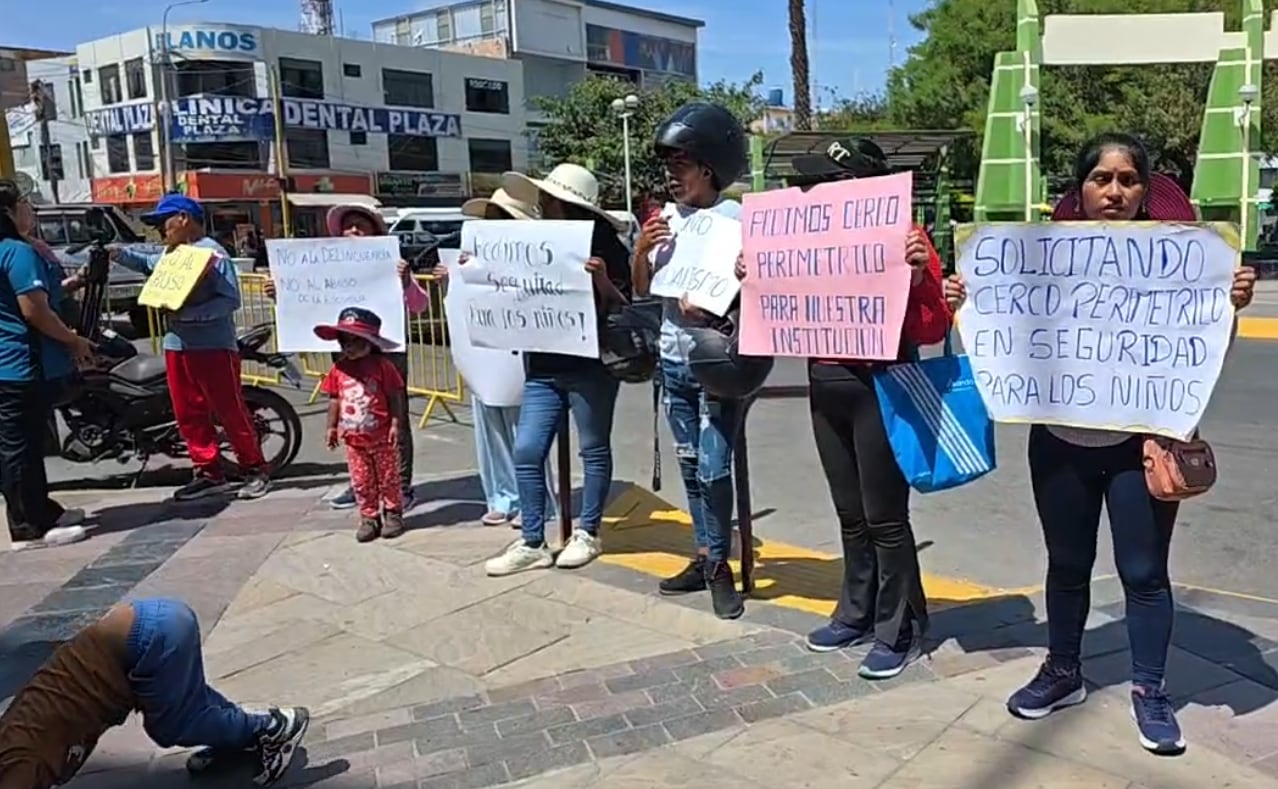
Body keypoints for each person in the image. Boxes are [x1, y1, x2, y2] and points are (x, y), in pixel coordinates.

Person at [944, 132, 1258, 755]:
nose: (1113, 191)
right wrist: (965, 304)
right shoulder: (1036, 257)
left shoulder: (1181, 262)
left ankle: (1151, 689)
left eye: (1128, 180)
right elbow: (1001, 333)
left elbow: (1200, 353)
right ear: (1080, 188)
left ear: (1145, 191)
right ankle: (1063, 671)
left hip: (1139, 447)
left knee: (1143, 571)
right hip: (1059, 442)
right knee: (1066, 565)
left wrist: (1229, 307)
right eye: (1101, 179)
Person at [737, 137, 952, 678]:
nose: (814, 194)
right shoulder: (807, 240)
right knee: (850, 514)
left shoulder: (908, 239)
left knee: (885, 516)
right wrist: (754, 275)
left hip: (881, 386)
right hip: (825, 380)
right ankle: (855, 611)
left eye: (828, 184)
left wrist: (922, 276)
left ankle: (897, 628)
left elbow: (931, 328)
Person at [630, 102, 751, 620]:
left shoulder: (738, 222)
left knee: (714, 467)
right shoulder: (664, 222)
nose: (671, 178)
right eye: (669, 167)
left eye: (679, 166)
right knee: (689, 467)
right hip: (672, 364)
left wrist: (732, 290)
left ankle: (722, 563)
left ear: (707, 167)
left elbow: (756, 294)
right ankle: (704, 555)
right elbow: (642, 292)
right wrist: (639, 252)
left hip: (719, 365)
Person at [483, 164, 632, 576]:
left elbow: (625, 305)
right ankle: (533, 540)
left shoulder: (607, 245)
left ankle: (588, 532)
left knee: (593, 447)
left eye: (549, 200)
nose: (542, 205)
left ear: (569, 205)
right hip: (543, 365)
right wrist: (475, 270)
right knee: (527, 450)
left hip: (592, 366)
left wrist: (601, 279)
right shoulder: (531, 241)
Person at [0, 597, 308, 788]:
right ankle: (238, 738)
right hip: (151, 626)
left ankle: (275, 727)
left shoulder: (20, 762)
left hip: (149, 638)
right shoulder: (13, 739)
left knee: (172, 725)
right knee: (185, 704)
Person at [263, 204, 427, 511]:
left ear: (376, 233)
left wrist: (406, 282)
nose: (352, 231)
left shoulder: (394, 266)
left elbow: (419, 306)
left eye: (360, 226)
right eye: (348, 226)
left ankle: (400, 486)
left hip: (387, 356)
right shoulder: (324, 268)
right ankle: (361, 483)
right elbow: (305, 302)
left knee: (393, 418)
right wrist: (280, 293)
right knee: (353, 417)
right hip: (346, 357)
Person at [110, 194, 271, 501]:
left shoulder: (213, 254)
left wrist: (189, 314)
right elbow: (147, 264)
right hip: (177, 345)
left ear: (184, 218)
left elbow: (230, 300)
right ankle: (208, 472)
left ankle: (254, 469)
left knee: (229, 411)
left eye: (163, 221)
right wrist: (118, 254)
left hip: (213, 347)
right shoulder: (172, 253)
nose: (160, 229)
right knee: (188, 412)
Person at [444, 188, 559, 528]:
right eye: (489, 218)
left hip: (521, 354)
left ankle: (537, 501)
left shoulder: (534, 256)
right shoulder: (472, 259)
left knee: (526, 433)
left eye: (501, 218)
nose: (492, 224)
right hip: (482, 353)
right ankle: (501, 496)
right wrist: (450, 278)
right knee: (489, 428)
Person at [0, 180, 95, 545]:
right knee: (20, 447)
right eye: (25, 202)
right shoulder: (17, 252)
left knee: (21, 445)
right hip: (21, 364)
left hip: (10, 366)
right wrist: (73, 340)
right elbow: (34, 310)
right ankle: (28, 527)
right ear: (8, 211)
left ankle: (42, 510)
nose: (31, 210)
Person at [318, 307, 409, 542]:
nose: (349, 347)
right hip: (353, 440)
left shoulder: (383, 366)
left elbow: (394, 395)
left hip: (381, 437)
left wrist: (396, 424)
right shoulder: (338, 369)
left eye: (355, 341)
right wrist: (331, 427)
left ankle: (393, 513)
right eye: (344, 341)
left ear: (369, 342)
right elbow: (334, 399)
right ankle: (368, 517)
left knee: (388, 477)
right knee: (361, 481)